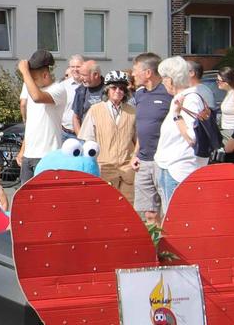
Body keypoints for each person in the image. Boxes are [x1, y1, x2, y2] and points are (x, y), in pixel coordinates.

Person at [152, 56, 210, 213]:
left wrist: (177, 116)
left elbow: (192, 137)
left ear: (170, 80)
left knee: (176, 219)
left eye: (163, 78)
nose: (162, 83)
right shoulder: (180, 99)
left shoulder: (189, 100)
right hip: (171, 167)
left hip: (178, 169)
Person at [81, 70, 138, 205]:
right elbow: (87, 141)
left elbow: (138, 139)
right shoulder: (95, 110)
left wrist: (135, 156)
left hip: (127, 170)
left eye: (121, 88)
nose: (118, 91)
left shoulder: (133, 111)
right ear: (107, 90)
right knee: (105, 207)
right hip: (105, 168)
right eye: (114, 87)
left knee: (127, 208)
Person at [17, 49, 70, 182]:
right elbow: (31, 125)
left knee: (45, 200)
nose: (31, 82)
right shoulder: (32, 89)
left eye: (34, 78)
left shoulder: (58, 89)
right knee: (25, 200)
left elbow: (37, 97)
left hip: (47, 156)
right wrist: (23, 150)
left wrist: (24, 72)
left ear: (46, 75)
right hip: (29, 156)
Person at [128, 54, 169, 221]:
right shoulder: (139, 94)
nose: (133, 74)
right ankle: (154, 246)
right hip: (143, 160)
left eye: (135, 70)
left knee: (167, 211)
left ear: (148, 73)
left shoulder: (168, 93)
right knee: (149, 213)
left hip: (163, 161)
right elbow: (141, 128)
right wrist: (135, 154)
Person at [68, 60, 107, 128]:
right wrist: (80, 136)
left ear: (96, 75)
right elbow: (76, 118)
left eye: (84, 75)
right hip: (87, 136)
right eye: (81, 74)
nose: (81, 78)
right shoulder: (81, 91)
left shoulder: (110, 89)